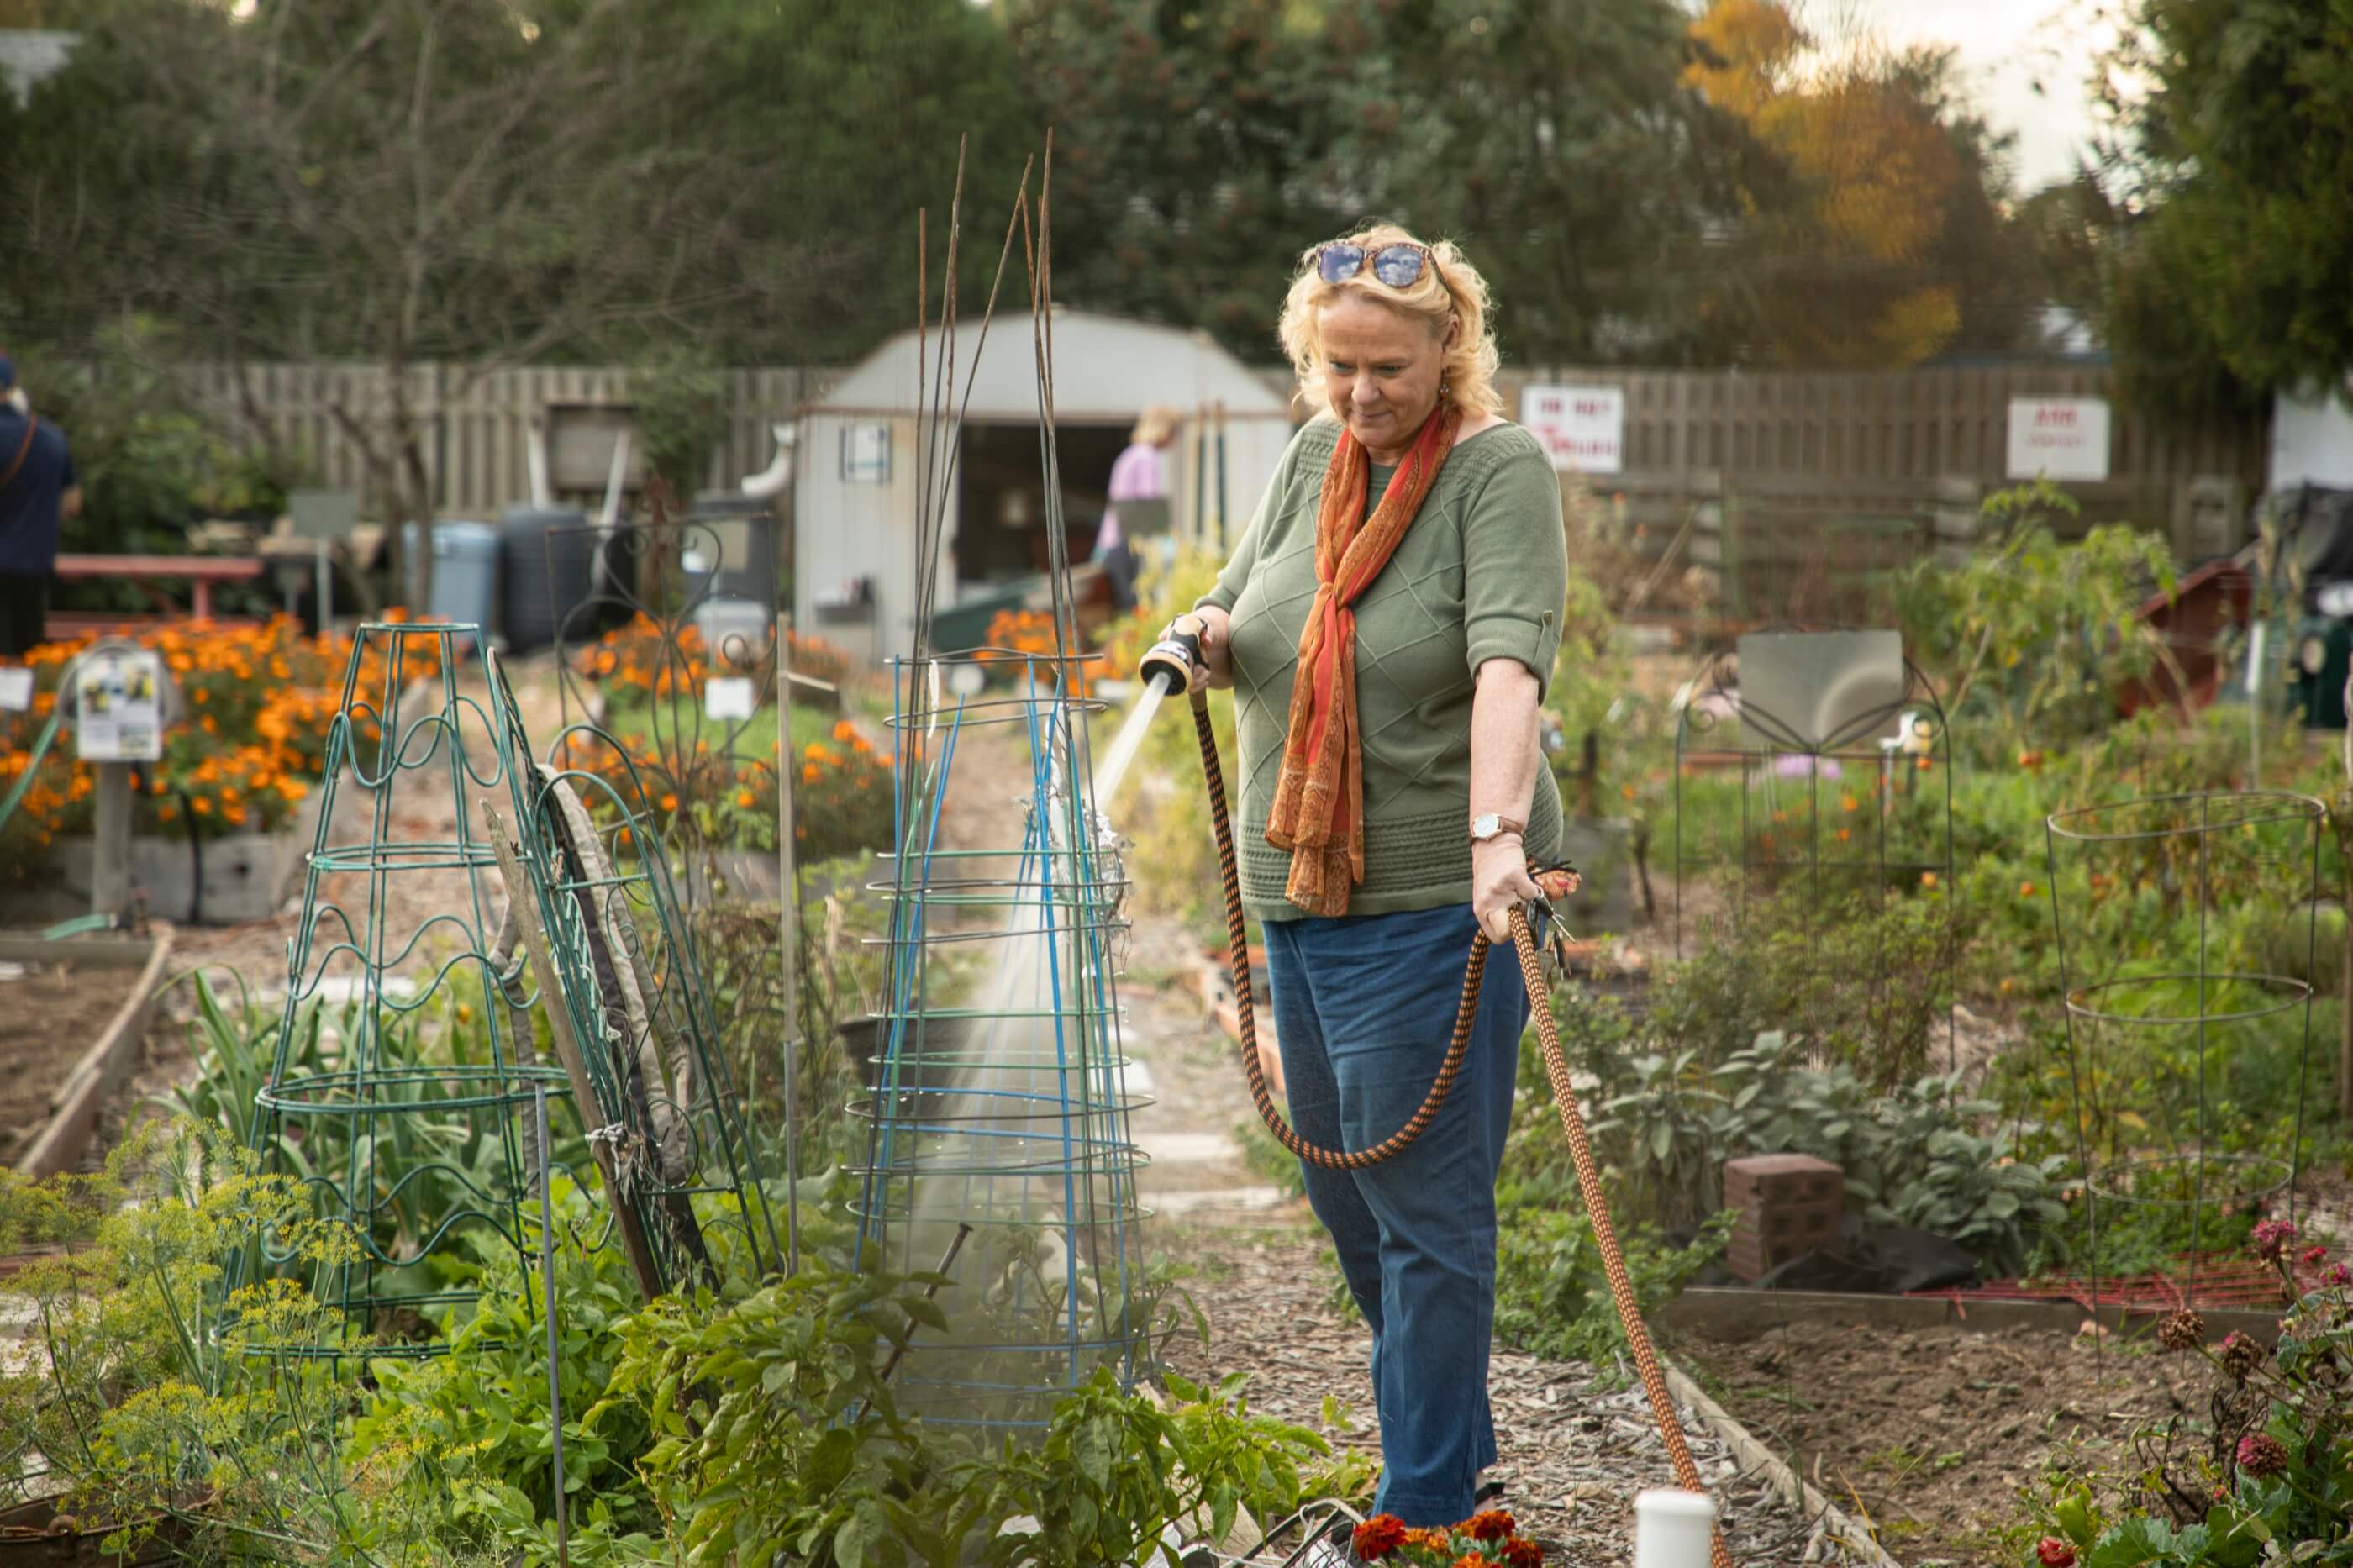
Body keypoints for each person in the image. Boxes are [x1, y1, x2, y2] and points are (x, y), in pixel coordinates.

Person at [1171, 225, 1574, 1531]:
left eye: (1387, 367)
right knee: (1343, 1193)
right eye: (1336, 366)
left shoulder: (1495, 472)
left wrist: (1497, 836)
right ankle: (1453, 1444)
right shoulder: (1311, 460)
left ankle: (1430, 1507)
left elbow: (1509, 661)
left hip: (1427, 909)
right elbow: (1248, 608)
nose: (1361, 394)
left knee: (1423, 1215)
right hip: (1298, 895)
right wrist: (1204, 637)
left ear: (1447, 345)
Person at [0, 355, 82, 659]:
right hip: (33, 566)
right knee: (26, 658)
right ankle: (22, 706)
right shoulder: (50, 436)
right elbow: (72, 504)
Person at [1093, 405, 1179, 613]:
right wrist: (1168, 540)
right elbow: (1146, 504)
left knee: (1124, 607)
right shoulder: (1146, 457)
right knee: (1134, 608)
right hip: (1126, 544)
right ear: (1164, 430)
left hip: (1111, 542)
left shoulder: (1130, 454)